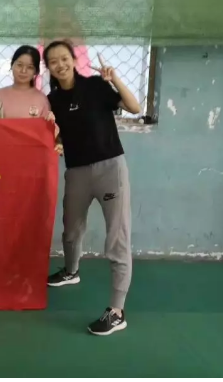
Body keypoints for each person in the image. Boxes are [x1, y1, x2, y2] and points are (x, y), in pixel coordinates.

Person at [43, 40, 141, 336]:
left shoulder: (96, 86)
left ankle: (117, 311)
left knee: (117, 237)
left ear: (73, 60)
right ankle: (71, 271)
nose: (60, 64)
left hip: (110, 169)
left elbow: (134, 107)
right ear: (48, 67)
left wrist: (115, 79)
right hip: (77, 172)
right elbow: (60, 136)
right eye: (53, 61)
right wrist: (52, 136)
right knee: (71, 228)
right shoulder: (52, 99)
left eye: (64, 58)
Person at [0, 45, 52, 119]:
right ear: (12, 64)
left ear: (36, 71)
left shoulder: (41, 99)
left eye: (30, 67)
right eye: (19, 65)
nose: (23, 71)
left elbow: (45, 126)